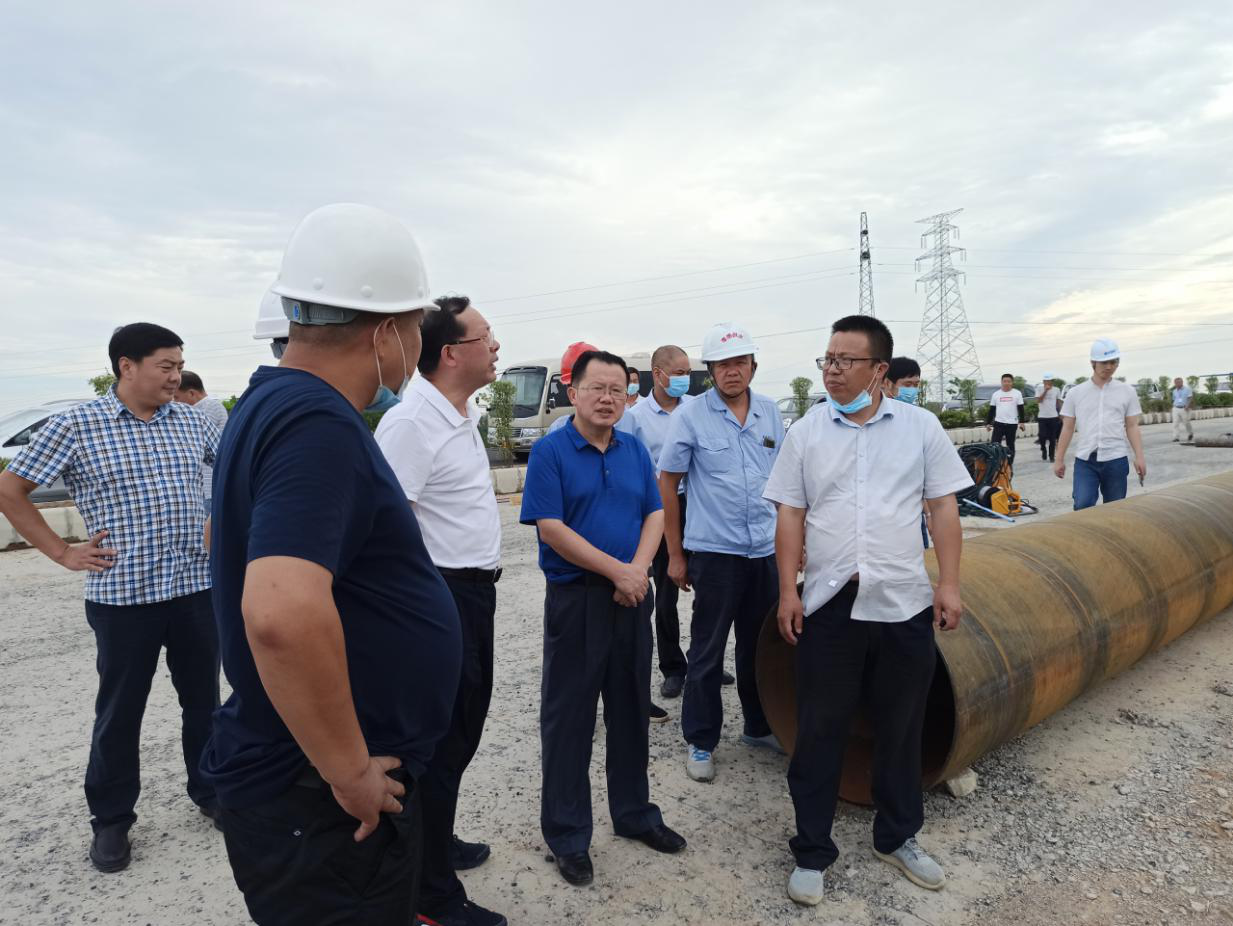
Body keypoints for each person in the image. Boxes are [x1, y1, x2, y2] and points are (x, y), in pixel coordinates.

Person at [202, 204, 462, 925]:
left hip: (301, 789)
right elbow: (280, 613)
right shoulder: (316, 421)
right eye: (415, 326)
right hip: (318, 804)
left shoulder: (271, 403)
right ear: (385, 333)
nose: (415, 345)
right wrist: (348, 771)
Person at [764, 315, 972, 906]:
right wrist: (788, 591)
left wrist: (949, 584)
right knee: (819, 729)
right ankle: (811, 850)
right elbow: (790, 514)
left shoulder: (920, 428)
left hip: (902, 603)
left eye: (845, 361)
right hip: (830, 605)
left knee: (901, 726)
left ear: (879, 370)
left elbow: (943, 508)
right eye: (827, 359)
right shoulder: (807, 431)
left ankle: (897, 836)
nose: (832, 370)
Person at [0, 323, 222, 873]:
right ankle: (112, 820)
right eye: (166, 366)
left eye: (179, 367)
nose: (176, 377)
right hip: (124, 597)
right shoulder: (76, 425)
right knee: (121, 712)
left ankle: (212, 791)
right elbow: (10, 489)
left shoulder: (193, 421)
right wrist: (61, 551)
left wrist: (218, 518)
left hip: (194, 589)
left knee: (204, 703)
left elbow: (235, 474)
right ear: (127, 366)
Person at [520, 349, 687, 887]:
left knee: (631, 708)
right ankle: (568, 835)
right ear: (574, 392)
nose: (608, 398)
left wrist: (637, 572)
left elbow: (654, 512)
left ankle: (634, 814)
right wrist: (619, 572)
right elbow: (551, 528)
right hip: (578, 601)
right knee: (569, 719)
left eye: (618, 389)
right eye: (597, 387)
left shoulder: (633, 448)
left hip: (631, 598)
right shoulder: (550, 452)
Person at [374, 294, 506, 926]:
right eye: (486, 337)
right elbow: (385, 529)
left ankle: (435, 842)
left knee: (461, 733)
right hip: (438, 598)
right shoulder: (410, 424)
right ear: (451, 353)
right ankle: (429, 895)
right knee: (438, 742)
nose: (496, 346)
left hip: (473, 594)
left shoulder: (461, 412)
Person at [658, 322, 784, 784]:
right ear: (710, 371)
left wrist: (796, 545)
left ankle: (758, 726)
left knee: (760, 646)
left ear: (753, 366)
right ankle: (701, 739)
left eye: (740, 363)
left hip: (764, 551)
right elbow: (668, 484)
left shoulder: (770, 413)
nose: (733, 371)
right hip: (715, 553)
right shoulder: (691, 416)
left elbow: (787, 484)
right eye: (723, 364)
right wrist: (676, 555)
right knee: (708, 650)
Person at [623, 345, 694, 706]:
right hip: (662, 508)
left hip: (699, 505)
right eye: (678, 373)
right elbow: (634, 465)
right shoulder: (636, 417)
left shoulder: (696, 409)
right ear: (658, 374)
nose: (684, 379)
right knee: (667, 590)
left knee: (710, 588)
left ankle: (703, 659)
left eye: (688, 373)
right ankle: (673, 667)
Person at [1053, 338, 1146, 510]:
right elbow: (1067, 427)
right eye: (1104, 362)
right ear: (1092, 362)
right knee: (1083, 504)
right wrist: (1059, 460)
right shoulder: (1076, 393)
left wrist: (1139, 457)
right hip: (1086, 461)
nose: (1109, 367)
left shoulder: (1127, 392)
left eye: (1113, 362)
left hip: (1116, 459)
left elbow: (1132, 426)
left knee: (1114, 509)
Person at [882, 356, 930, 548]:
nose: (912, 390)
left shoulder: (919, 420)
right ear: (887, 384)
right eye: (907, 384)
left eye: (916, 385)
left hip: (912, 512)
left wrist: (929, 513)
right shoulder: (872, 419)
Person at [175, 371, 229, 507]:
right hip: (203, 485)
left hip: (208, 484)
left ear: (191, 393)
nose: (174, 402)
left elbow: (189, 438)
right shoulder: (202, 408)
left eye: (176, 397)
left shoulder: (210, 407)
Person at [984, 373, 1025, 465]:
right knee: (994, 444)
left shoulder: (1017, 393)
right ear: (1001, 382)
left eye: (1009, 381)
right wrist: (988, 423)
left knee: (1010, 445)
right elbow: (992, 410)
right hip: (999, 423)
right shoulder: (996, 394)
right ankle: (995, 464)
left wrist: (1022, 422)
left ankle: (1009, 464)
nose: (1006, 383)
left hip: (1012, 424)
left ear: (1012, 382)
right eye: (1004, 381)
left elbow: (1021, 408)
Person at [1035, 374, 1062, 462]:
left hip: (1053, 416)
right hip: (1042, 416)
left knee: (1052, 438)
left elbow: (1058, 402)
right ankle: (1043, 449)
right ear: (1043, 381)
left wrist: (1061, 413)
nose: (1048, 382)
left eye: (1050, 381)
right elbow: (1038, 401)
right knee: (1042, 436)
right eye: (1046, 381)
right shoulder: (1039, 389)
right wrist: (1045, 391)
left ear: (1052, 381)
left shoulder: (1056, 389)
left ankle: (1051, 456)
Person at [1171, 376, 1194, 443]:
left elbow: (1190, 398)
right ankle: (1176, 437)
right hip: (1176, 408)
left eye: (1179, 382)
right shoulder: (1174, 391)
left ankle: (1190, 433)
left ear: (1182, 382)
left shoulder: (1187, 389)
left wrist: (1187, 406)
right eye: (1176, 383)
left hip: (1184, 408)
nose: (1177, 384)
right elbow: (1174, 399)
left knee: (1186, 422)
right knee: (1175, 423)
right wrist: (1173, 407)